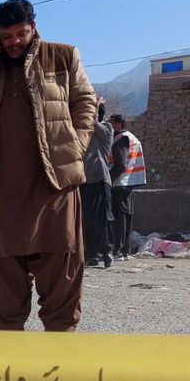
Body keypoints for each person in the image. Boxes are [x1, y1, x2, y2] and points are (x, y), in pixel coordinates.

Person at [0, 0, 95, 332]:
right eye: (7, 35)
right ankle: (10, 369)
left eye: (21, 33)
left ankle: (59, 365)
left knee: (61, 275)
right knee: (5, 292)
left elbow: (84, 101)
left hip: (53, 185)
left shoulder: (62, 55)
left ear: (33, 27)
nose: (15, 41)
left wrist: (76, 145)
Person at [108, 113, 145, 261]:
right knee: (126, 217)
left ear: (118, 125)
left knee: (118, 218)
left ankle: (117, 250)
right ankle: (124, 251)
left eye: (111, 123)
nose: (108, 126)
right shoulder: (131, 138)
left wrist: (109, 179)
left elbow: (120, 164)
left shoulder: (120, 139)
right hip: (128, 182)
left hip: (119, 183)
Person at [82, 104, 114, 267]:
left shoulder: (106, 129)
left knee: (103, 218)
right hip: (84, 180)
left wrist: (89, 111)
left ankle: (107, 251)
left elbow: (95, 125)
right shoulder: (82, 131)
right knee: (86, 219)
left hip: (100, 179)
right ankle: (91, 253)